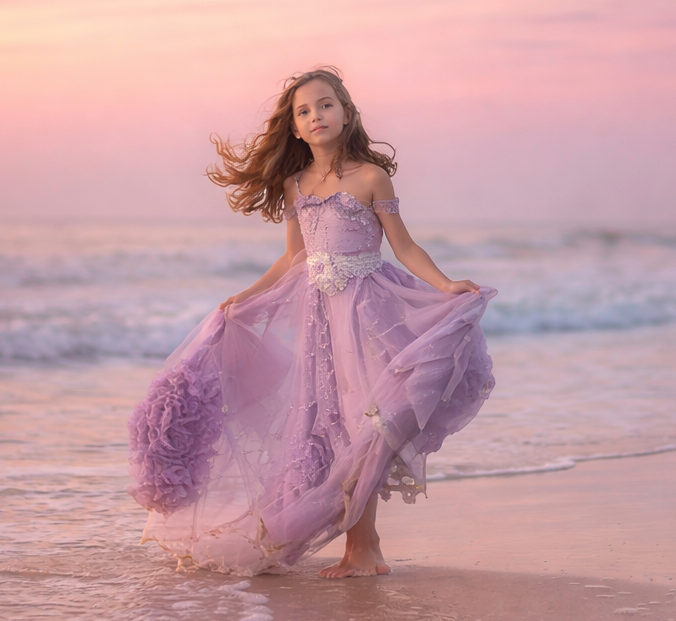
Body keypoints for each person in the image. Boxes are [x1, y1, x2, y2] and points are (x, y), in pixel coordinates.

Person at [128, 68, 495, 577]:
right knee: (333, 430)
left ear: (346, 113)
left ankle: (364, 550)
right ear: (295, 129)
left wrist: (445, 285)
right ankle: (362, 550)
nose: (315, 116)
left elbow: (404, 245)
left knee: (365, 425)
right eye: (303, 111)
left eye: (325, 105)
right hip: (319, 321)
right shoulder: (294, 184)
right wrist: (245, 297)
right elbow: (293, 258)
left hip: (367, 315)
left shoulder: (370, 176)